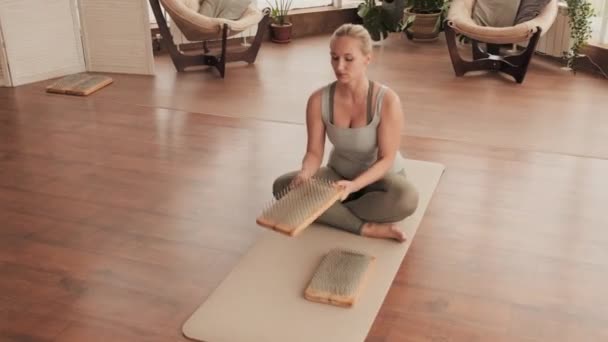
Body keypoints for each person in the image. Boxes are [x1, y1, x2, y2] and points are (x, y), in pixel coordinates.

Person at [272, 23, 419, 243]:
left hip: (381, 178)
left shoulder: (387, 101)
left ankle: (323, 209)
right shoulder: (318, 100)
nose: (339, 66)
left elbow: (387, 158)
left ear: (367, 59)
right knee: (283, 187)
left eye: (348, 59)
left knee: (407, 199)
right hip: (338, 176)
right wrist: (305, 174)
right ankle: (364, 227)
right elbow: (314, 153)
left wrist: (355, 186)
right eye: (334, 57)